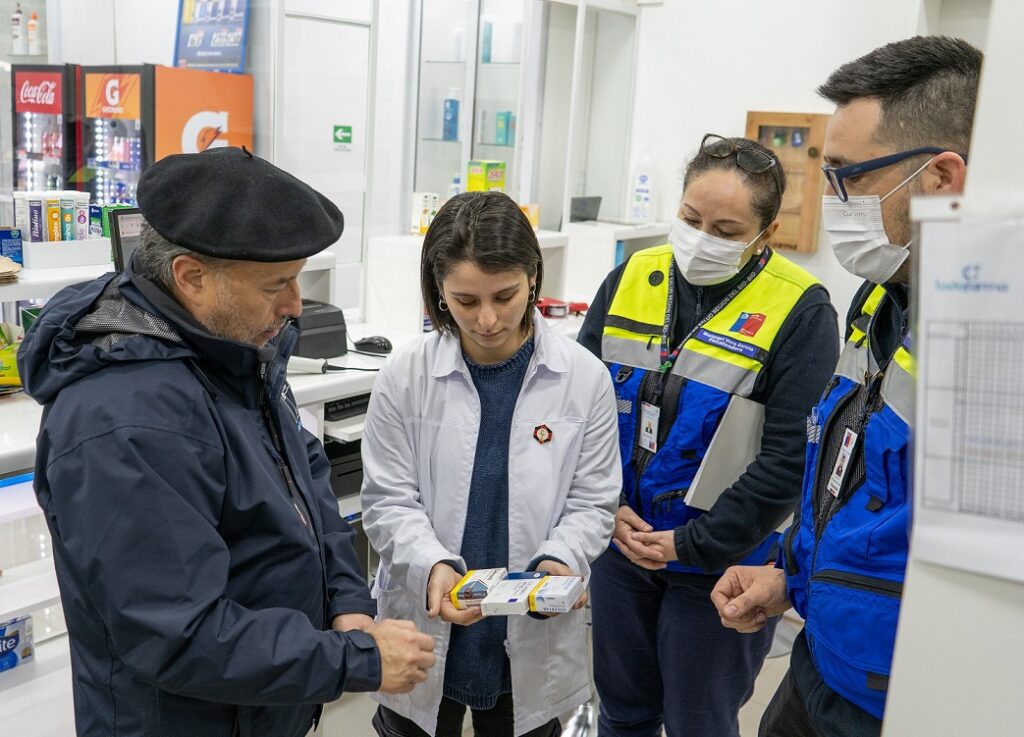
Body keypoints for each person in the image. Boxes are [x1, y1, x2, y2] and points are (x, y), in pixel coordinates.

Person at [17, 147, 436, 737]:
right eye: (278, 284)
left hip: (262, 707)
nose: (294, 306)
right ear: (190, 276)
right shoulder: (124, 420)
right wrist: (355, 661)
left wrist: (346, 601)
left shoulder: (233, 353)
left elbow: (306, 479)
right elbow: (176, 633)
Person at [711, 36, 982, 737]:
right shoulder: (876, 302)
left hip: (903, 705)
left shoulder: (992, 342)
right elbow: (846, 485)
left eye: (848, 177)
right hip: (819, 667)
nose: (832, 201)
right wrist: (788, 576)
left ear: (942, 178)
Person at [577, 134, 840, 736]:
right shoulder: (632, 277)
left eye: (725, 230)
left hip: (722, 561)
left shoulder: (801, 311)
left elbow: (788, 461)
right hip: (623, 545)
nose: (701, 239)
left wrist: (691, 544)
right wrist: (606, 507)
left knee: (699, 722)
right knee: (623, 713)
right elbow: (579, 411)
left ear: (764, 233)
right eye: (691, 219)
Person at [361, 191, 621, 737]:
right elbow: (388, 501)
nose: (486, 319)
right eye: (464, 299)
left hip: (531, 636)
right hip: (429, 620)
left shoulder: (584, 377)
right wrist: (430, 564)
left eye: (505, 296)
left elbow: (593, 502)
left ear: (533, 279)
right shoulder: (404, 376)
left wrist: (560, 559)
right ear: (438, 292)